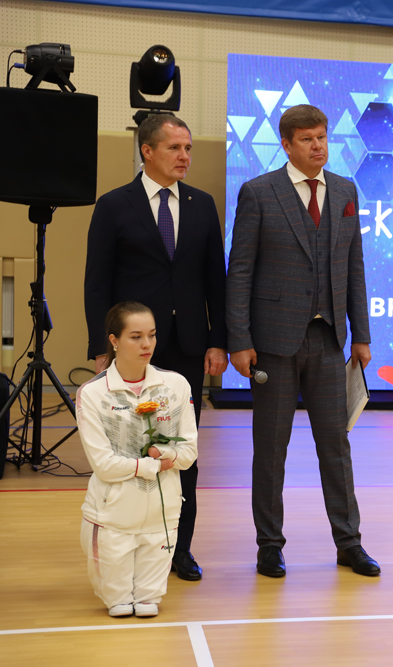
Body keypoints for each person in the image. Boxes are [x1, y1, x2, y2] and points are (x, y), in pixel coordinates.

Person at [226, 104, 378, 578]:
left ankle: (349, 543)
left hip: (329, 340)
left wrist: (361, 334)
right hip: (273, 343)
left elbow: (354, 266)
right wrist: (239, 340)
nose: (318, 146)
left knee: (336, 446)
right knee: (271, 449)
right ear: (287, 145)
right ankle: (269, 545)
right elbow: (240, 271)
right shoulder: (258, 192)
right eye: (308, 139)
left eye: (322, 137)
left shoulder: (345, 191)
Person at [84, 114, 228, 582]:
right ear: (147, 150)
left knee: (181, 451)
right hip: (131, 350)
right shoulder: (113, 205)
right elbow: (97, 282)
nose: (185, 156)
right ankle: (127, 543)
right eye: (175, 148)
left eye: (188, 148)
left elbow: (216, 279)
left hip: (187, 348)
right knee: (130, 450)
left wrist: (219, 341)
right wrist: (101, 346)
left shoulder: (203, 205)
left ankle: (178, 549)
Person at [77, 301, 197, 618]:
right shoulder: (93, 393)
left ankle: (146, 588)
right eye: (136, 336)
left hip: (163, 515)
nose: (147, 344)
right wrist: (156, 464)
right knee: (117, 604)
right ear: (114, 340)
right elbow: (104, 465)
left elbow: (188, 453)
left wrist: (167, 453)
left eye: (152, 335)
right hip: (111, 516)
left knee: (147, 604)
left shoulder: (176, 385)